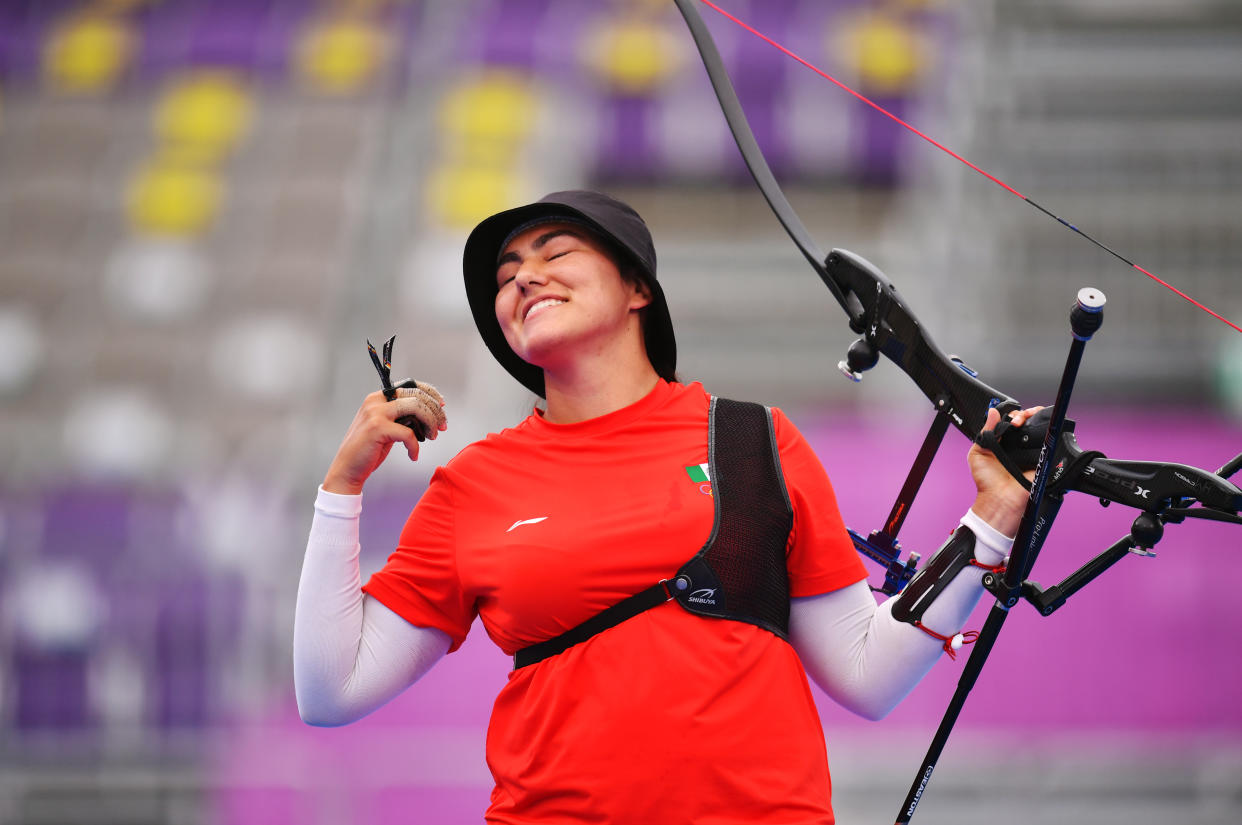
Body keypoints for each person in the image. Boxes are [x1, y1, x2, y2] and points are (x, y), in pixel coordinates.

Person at [294, 190, 1036, 824]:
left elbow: (868, 673)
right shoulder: (476, 483)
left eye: (555, 254)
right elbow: (332, 689)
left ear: (637, 287)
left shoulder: (754, 439)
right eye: (507, 274)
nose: (525, 277)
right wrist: (343, 486)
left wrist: (992, 521)